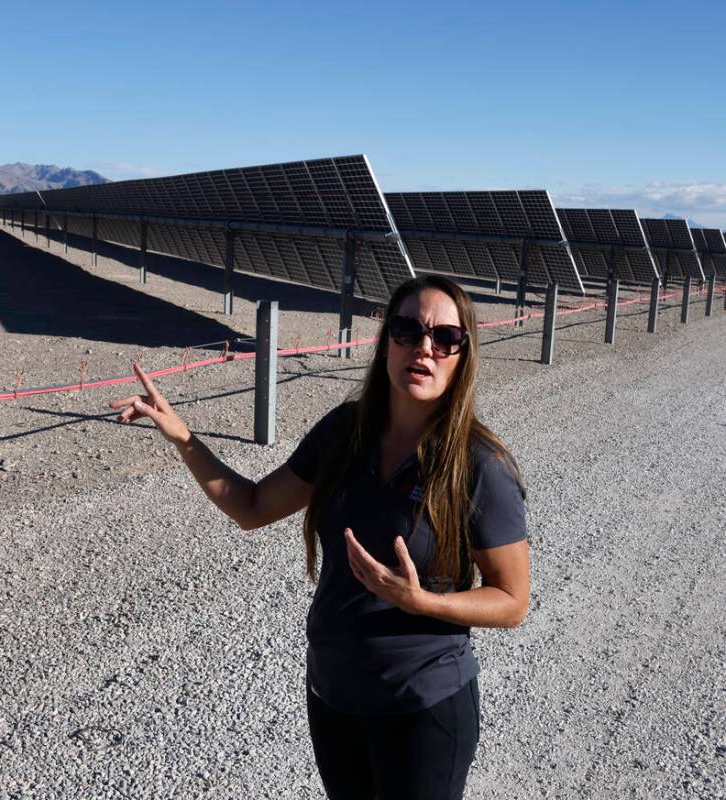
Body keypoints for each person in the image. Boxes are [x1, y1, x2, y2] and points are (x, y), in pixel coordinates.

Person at [109, 274, 530, 799]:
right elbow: (253, 507)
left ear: (463, 355)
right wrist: (184, 438)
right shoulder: (344, 432)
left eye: (445, 338)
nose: (424, 347)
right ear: (386, 343)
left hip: (424, 708)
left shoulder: (479, 464)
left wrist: (421, 602)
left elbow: (512, 601)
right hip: (334, 698)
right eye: (407, 330)